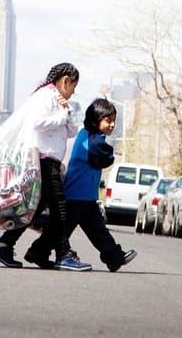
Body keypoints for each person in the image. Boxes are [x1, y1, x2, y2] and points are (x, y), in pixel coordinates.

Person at [0, 62, 92, 271]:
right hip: (44, 161)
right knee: (60, 210)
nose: (73, 92)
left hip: (50, 162)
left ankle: (5, 246)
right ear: (65, 81)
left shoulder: (57, 99)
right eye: (73, 86)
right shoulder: (45, 96)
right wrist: (62, 116)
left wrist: (67, 111)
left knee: (32, 210)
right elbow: (37, 123)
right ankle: (63, 255)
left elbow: (70, 131)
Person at [28, 98, 137, 272]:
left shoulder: (87, 135)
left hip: (85, 195)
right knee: (63, 230)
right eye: (108, 120)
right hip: (77, 195)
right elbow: (104, 158)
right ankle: (38, 251)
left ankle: (114, 257)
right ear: (95, 121)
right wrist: (112, 155)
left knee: (96, 229)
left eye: (113, 120)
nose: (112, 125)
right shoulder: (92, 140)